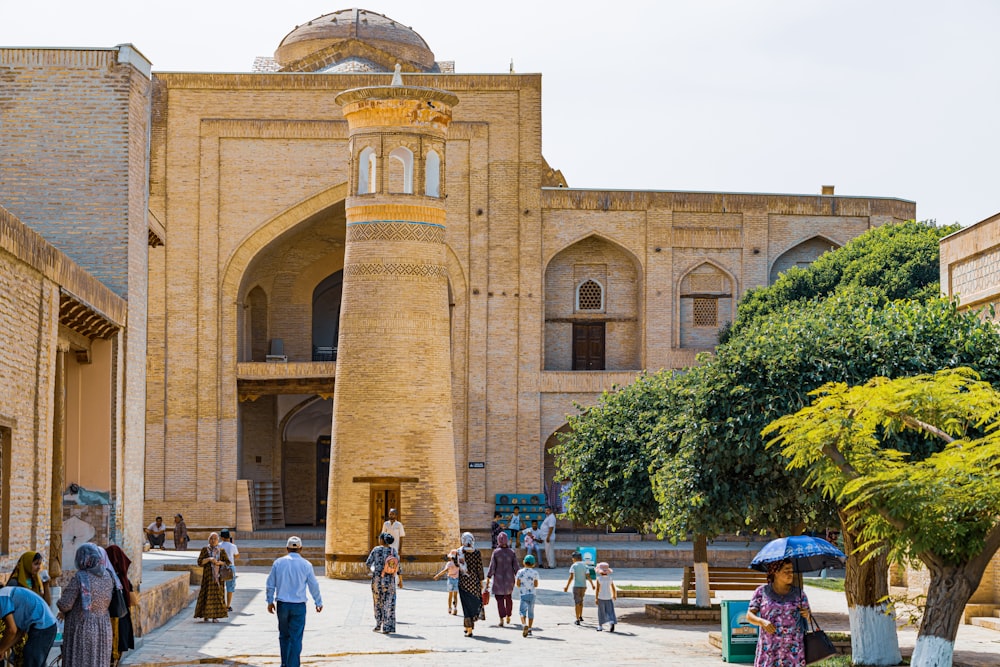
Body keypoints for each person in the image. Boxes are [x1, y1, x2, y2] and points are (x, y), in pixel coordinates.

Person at [265, 536, 323, 667]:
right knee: (296, 637)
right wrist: (318, 602)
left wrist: (269, 601)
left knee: (284, 635)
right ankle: (293, 664)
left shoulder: (278, 563)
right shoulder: (306, 565)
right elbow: (314, 585)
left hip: (282, 604)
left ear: (287, 548)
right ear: (301, 549)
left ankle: (285, 663)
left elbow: (270, 584)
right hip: (299, 606)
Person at [745, 559, 812, 667]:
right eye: (786, 571)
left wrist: (807, 615)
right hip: (769, 649)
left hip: (793, 651)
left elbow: (809, 618)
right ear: (775, 572)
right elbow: (749, 615)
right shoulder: (762, 592)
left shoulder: (800, 594)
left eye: (792, 571)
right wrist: (762, 622)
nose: (791, 574)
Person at [57, 543, 113, 667]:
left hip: (82, 627)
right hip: (103, 626)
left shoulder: (80, 577)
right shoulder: (107, 575)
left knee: (80, 661)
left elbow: (65, 604)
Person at [0, 585, 58, 667]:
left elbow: (12, 630)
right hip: (45, 626)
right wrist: (3, 649)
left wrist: (1, 649)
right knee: (32, 660)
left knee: (32, 661)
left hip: (42, 627)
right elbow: (18, 632)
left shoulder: (2, 597)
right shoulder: (8, 595)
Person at [105, 545, 136, 663]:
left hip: (108, 619)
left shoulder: (104, 578)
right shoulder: (124, 580)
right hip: (122, 616)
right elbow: (133, 601)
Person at [194, 532, 230, 623]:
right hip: (207, 578)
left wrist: (219, 563)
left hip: (218, 579)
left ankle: (215, 616)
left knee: (217, 598)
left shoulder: (221, 551)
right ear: (209, 540)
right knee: (206, 596)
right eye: (211, 539)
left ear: (218, 540)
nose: (213, 541)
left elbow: (227, 562)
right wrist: (209, 559)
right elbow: (199, 562)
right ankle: (206, 615)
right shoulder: (205, 550)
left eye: (215, 539)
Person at [365, 533, 398, 634]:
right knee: (389, 602)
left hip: (377, 580)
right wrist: (400, 580)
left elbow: (368, 563)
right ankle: (387, 627)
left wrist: (374, 570)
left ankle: (378, 624)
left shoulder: (376, 550)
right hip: (390, 581)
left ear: (382, 540)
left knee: (378, 602)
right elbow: (398, 567)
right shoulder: (393, 551)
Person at [485, 532, 518, 626]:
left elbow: (492, 566)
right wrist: (520, 577)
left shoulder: (496, 552)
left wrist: (488, 577)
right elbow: (516, 567)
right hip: (509, 580)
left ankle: (501, 619)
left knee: (499, 599)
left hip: (498, 580)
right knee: (508, 598)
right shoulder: (511, 552)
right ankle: (508, 615)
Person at [456, 532, 484, 637]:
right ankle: (469, 625)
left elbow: (456, 564)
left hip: (463, 583)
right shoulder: (476, 553)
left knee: (466, 606)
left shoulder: (459, 552)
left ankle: (468, 629)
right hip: (474, 583)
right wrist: (481, 582)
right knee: (473, 604)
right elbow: (479, 568)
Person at [563, 550, 594, 625]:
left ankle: (577, 619)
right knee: (581, 601)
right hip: (583, 586)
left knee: (577, 602)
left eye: (572, 559)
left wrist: (566, 586)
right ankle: (580, 615)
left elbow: (571, 577)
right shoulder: (585, 566)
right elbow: (588, 576)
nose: (572, 560)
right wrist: (592, 584)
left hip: (576, 586)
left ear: (575, 558)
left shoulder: (574, 566)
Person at [515, 554, 540, 638]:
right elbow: (536, 585)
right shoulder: (535, 573)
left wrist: (522, 586)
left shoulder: (520, 572)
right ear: (534, 564)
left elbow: (517, 584)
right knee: (531, 612)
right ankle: (529, 629)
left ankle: (524, 624)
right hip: (532, 594)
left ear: (523, 562)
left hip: (523, 594)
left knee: (522, 611)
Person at [380, 509, 405, 588]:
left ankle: (398, 581)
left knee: (397, 564)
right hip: (387, 548)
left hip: (395, 548)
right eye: (390, 514)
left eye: (393, 514)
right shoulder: (386, 524)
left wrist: (400, 549)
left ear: (396, 515)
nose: (391, 516)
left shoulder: (399, 525)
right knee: (386, 563)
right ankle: (387, 581)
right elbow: (382, 535)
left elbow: (401, 537)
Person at [432, 549, 461, 615]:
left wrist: (437, 575)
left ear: (451, 556)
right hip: (457, 580)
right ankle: (455, 608)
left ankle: (449, 608)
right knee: (455, 596)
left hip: (450, 580)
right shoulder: (458, 564)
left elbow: (445, 570)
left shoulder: (449, 563)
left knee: (450, 595)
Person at [218, 529, 239, 611]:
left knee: (221, 586)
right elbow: (237, 556)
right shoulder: (233, 546)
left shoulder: (218, 545)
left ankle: (221, 604)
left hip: (221, 567)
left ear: (222, 537)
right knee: (230, 587)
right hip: (230, 567)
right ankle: (228, 606)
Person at [594, 561, 617, 632]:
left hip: (601, 597)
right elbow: (613, 588)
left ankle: (600, 626)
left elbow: (597, 589)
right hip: (608, 597)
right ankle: (611, 621)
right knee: (610, 611)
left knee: (601, 612)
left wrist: (596, 598)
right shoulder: (610, 578)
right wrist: (614, 595)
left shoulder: (599, 579)